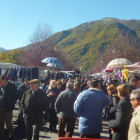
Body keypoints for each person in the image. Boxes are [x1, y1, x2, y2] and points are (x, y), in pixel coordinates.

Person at [0, 75, 18, 140]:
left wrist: (11, 103)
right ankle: (1, 137)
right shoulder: (0, 86)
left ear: (4, 80)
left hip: (8, 108)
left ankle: (12, 134)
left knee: (8, 123)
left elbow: (16, 96)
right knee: (0, 123)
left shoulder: (11, 86)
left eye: (0, 81)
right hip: (0, 107)